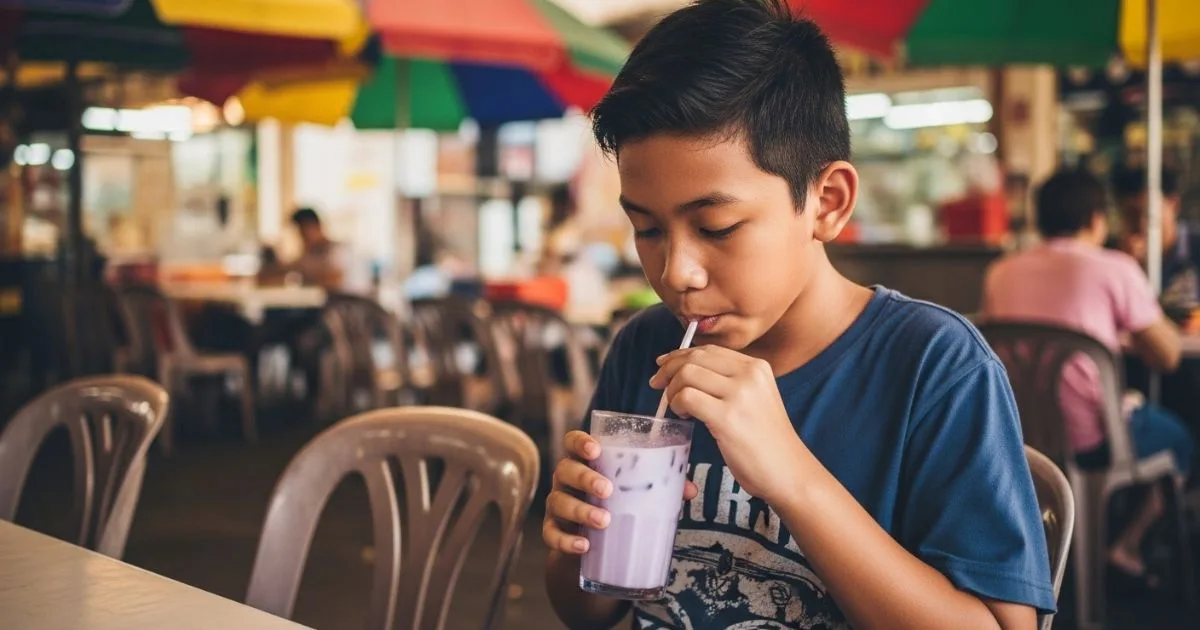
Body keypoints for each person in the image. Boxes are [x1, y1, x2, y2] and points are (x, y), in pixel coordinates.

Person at [542, 2, 1055, 628]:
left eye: (717, 227)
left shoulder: (932, 367)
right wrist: (579, 538)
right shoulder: (648, 347)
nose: (676, 272)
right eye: (646, 228)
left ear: (826, 203)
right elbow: (588, 612)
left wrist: (793, 478)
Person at [982, 169, 1194, 588]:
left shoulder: (1001, 272)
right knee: (1179, 437)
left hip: (1018, 437)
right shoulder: (1115, 267)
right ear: (1098, 219)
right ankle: (1127, 545)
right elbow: (1168, 355)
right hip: (1094, 442)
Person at [1111, 166, 1200, 308]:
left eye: (1148, 214)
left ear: (1174, 204)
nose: (1141, 224)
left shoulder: (1195, 248)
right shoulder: (1113, 257)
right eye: (1131, 215)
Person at [285, 207, 370, 294]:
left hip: (351, 303)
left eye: (302, 232)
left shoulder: (338, 250)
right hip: (332, 303)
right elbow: (291, 266)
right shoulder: (311, 254)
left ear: (316, 227)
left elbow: (334, 280)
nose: (301, 238)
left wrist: (304, 271)